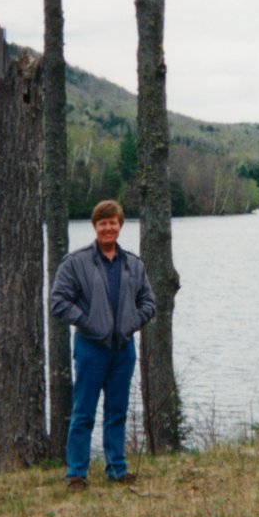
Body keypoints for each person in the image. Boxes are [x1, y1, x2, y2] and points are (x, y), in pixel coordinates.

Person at [49, 199, 156, 490]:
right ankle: (76, 474)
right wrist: (87, 321)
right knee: (83, 412)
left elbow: (149, 301)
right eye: (102, 223)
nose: (108, 227)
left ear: (120, 226)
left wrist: (132, 321)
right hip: (90, 348)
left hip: (123, 349)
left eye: (113, 222)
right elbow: (58, 302)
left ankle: (117, 469)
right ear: (95, 226)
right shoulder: (76, 262)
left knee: (117, 411)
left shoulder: (133, 264)